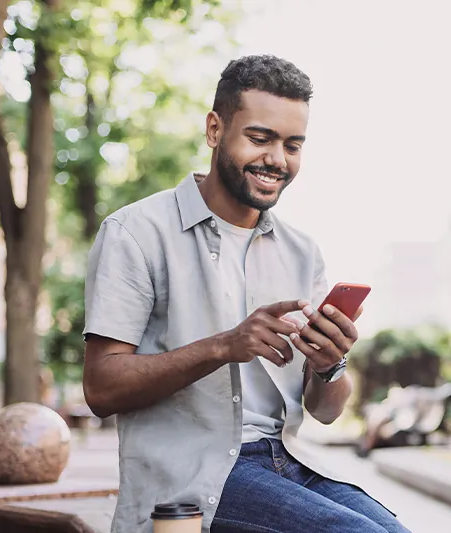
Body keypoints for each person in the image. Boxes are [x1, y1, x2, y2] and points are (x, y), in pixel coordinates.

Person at [82, 54, 411, 533]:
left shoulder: (302, 251)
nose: (277, 160)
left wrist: (330, 363)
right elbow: (101, 388)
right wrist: (223, 346)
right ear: (215, 130)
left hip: (289, 462)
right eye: (260, 139)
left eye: (292, 145)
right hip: (193, 477)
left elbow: (326, 410)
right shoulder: (135, 232)